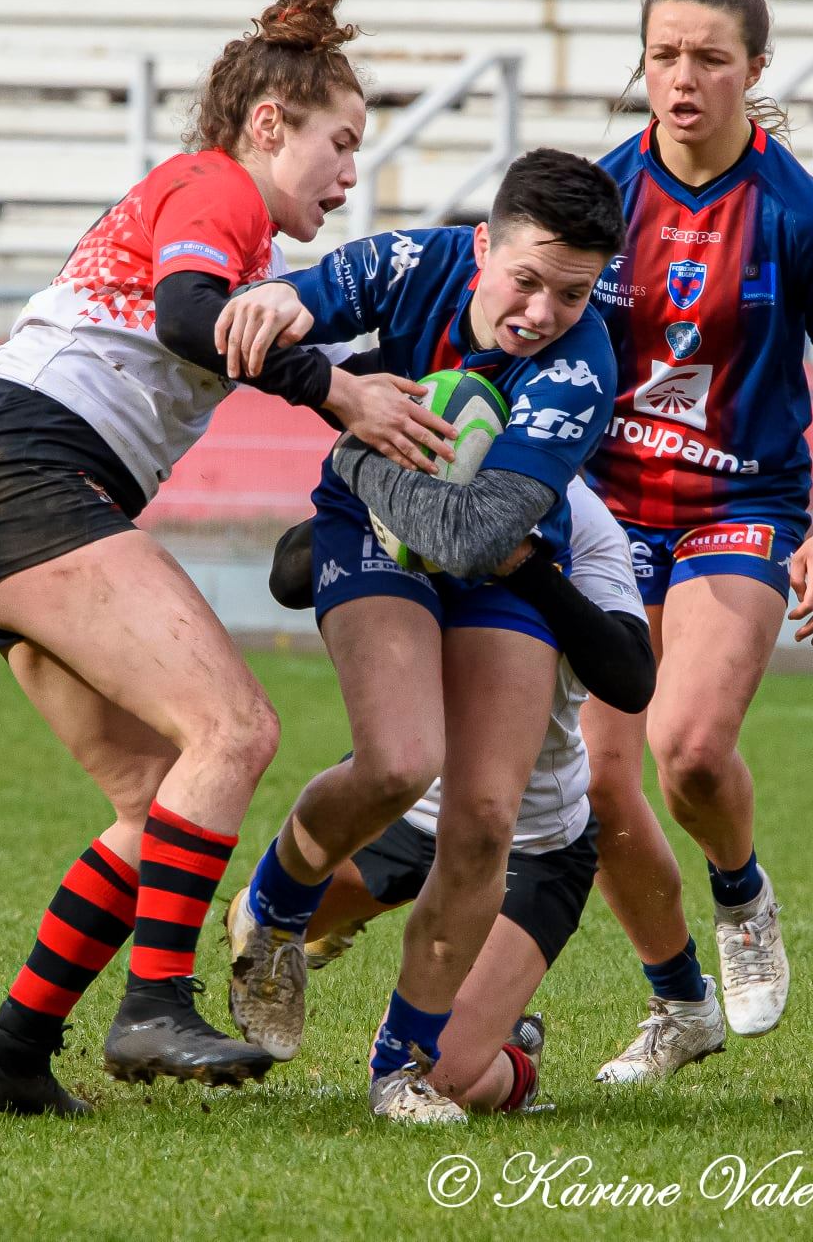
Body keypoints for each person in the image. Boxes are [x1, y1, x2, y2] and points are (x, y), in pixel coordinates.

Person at [0, 0, 455, 1115]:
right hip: (28, 478)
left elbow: (227, 324)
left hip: (0, 493)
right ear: (269, 125)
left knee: (161, 790)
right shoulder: (217, 187)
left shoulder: (239, 237)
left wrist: (368, 387)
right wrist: (342, 397)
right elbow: (179, 318)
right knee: (236, 726)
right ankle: (155, 1004)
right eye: (341, 144)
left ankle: (11, 1049)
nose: (351, 178)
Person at [212, 148, 627, 1120]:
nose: (541, 313)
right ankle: (276, 909)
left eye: (573, 294)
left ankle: (401, 1066)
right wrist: (286, 326)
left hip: (493, 553)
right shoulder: (412, 263)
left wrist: (357, 455)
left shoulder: (584, 363)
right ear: (482, 245)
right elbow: (282, 309)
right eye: (525, 279)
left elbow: (476, 536)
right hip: (374, 535)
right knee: (400, 763)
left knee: (483, 817)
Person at [579, 0, 813, 1080]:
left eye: (710, 59)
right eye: (665, 55)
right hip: (605, 510)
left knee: (691, 752)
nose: (683, 78)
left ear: (754, 71)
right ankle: (678, 1004)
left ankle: (742, 892)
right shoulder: (600, 193)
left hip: (740, 502)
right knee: (594, 787)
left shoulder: (797, 212)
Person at [259, 479, 654, 1115]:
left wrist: (519, 563)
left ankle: (517, 1055)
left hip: (532, 842)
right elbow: (289, 579)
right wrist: (392, 502)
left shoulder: (580, 515)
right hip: (407, 810)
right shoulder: (416, 478)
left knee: (446, 1082)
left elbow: (632, 677)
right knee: (251, 926)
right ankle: (353, 908)